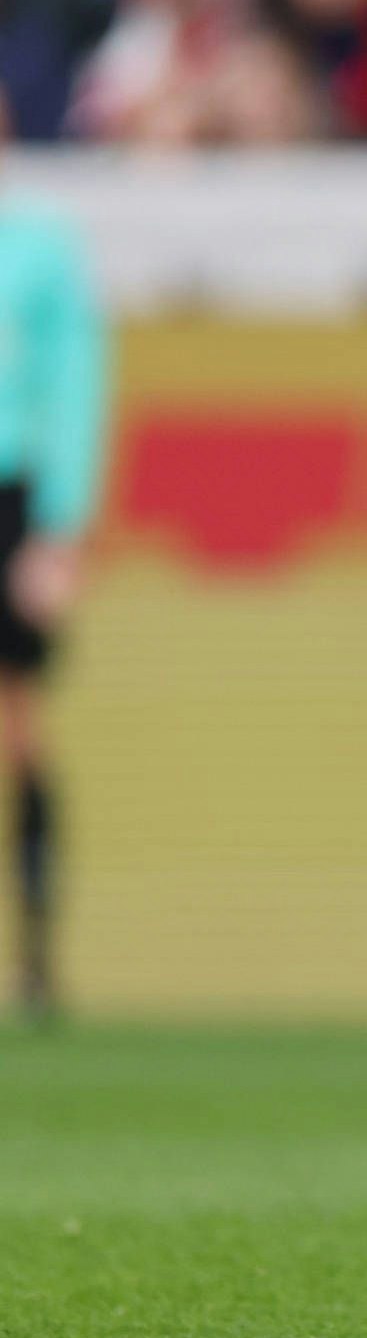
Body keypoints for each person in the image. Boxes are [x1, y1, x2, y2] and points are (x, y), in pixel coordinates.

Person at [0, 156, 105, 1023]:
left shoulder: (38, 246)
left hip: (12, 496)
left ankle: (35, 958)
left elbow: (75, 386)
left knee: (17, 725)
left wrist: (61, 527)